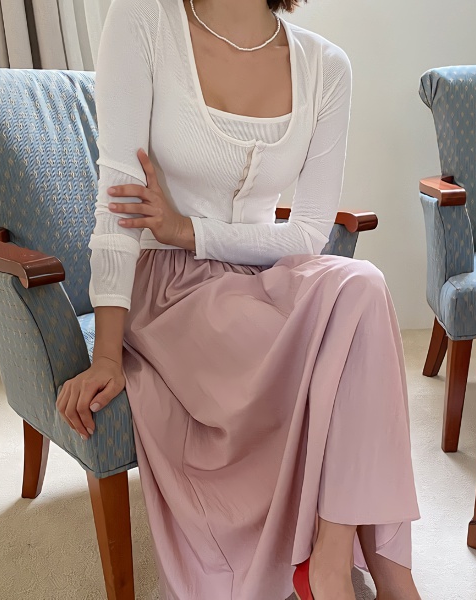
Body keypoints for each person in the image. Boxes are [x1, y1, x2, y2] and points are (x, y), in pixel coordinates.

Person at [55, 0, 422, 598]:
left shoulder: (326, 66)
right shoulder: (144, 19)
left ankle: (338, 560)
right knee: (347, 339)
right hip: (172, 291)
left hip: (266, 277)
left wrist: (190, 228)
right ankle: (375, 576)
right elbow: (116, 203)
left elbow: (307, 235)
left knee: (363, 285)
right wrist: (107, 355)